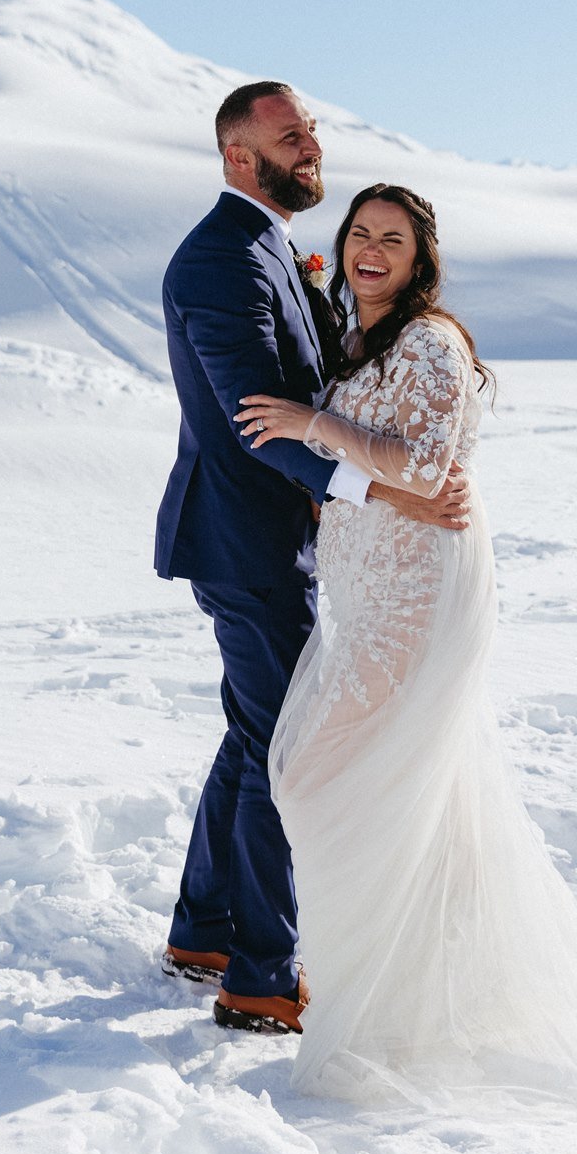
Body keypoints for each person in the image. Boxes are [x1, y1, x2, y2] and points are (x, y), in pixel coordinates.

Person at [239, 182, 577, 1106]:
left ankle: (370, 1001)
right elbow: (389, 470)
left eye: (394, 241)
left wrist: (310, 425)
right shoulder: (357, 337)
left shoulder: (429, 341)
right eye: (361, 235)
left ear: (421, 263)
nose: (372, 252)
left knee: (315, 776)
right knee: (402, 785)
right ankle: (408, 991)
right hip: (373, 590)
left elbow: (425, 466)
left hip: (419, 594)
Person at [154, 86, 471, 1035]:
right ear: (240, 155)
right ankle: (259, 974)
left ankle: (205, 928)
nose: (312, 146)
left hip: (273, 540)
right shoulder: (220, 259)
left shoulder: (267, 250)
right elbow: (262, 420)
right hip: (243, 541)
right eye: (292, 136)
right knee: (282, 744)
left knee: (257, 730)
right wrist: (389, 491)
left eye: (313, 131)